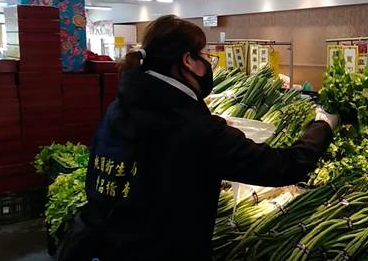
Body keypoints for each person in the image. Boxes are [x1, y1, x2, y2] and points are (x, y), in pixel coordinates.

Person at [56, 15, 338, 261]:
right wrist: (322, 125)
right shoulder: (192, 127)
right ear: (187, 60)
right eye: (204, 56)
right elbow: (284, 166)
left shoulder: (121, 106)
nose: (207, 64)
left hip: (100, 242)